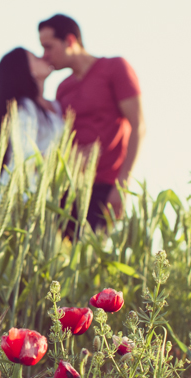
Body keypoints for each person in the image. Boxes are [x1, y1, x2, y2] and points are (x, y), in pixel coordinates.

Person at [38, 14, 145, 232]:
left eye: (48, 47)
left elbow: (138, 125)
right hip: (69, 189)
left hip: (106, 187)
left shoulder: (115, 68)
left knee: (93, 258)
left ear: (69, 41)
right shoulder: (63, 88)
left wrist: (123, 183)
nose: (45, 55)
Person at [0, 47, 65, 183]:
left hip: (46, 193)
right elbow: (25, 157)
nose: (43, 57)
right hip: (23, 194)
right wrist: (69, 160)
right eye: (35, 57)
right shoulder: (24, 108)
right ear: (26, 69)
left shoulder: (57, 106)